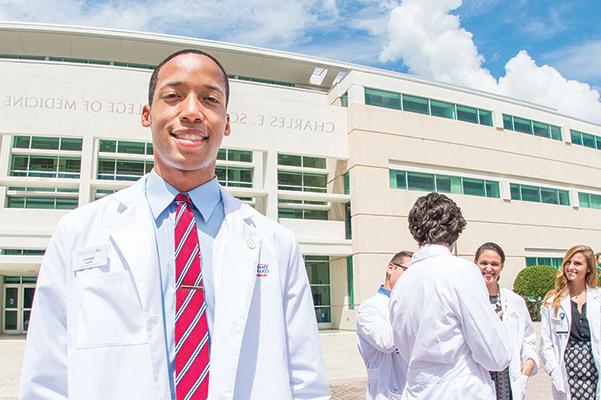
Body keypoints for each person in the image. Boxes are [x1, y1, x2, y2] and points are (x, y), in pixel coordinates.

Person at [20, 49, 330, 400]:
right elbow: (45, 376)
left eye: (210, 99)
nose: (193, 112)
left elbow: (306, 381)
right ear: (147, 115)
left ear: (226, 122)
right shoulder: (78, 232)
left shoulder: (276, 243)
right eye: (173, 96)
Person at [389, 192, 510, 400]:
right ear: (456, 230)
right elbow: (495, 356)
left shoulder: (402, 284)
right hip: (460, 390)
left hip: (416, 391)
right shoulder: (462, 271)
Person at [474, 242, 539, 400]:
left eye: (495, 264)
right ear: (475, 264)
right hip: (477, 377)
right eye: (483, 263)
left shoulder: (515, 301)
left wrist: (528, 365)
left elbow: (527, 338)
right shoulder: (468, 300)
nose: (489, 268)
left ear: (501, 267)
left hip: (507, 380)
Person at [540, 245, 601, 400]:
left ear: (588, 268)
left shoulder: (598, 298)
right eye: (568, 262)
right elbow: (546, 344)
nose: (571, 267)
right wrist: (554, 371)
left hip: (595, 370)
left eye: (578, 263)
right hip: (567, 373)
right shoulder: (552, 301)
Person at [356, 251, 412, 399]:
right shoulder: (368, 308)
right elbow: (386, 342)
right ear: (390, 268)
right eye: (408, 271)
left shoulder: (413, 306)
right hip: (385, 393)